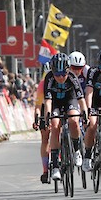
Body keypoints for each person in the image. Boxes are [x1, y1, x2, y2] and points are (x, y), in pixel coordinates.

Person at [42, 53, 87, 181]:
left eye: (64, 74)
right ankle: (55, 166)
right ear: (53, 72)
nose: (61, 78)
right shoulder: (49, 78)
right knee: (55, 125)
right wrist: (47, 117)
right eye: (57, 74)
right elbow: (48, 101)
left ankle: (77, 150)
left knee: (73, 120)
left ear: (68, 71)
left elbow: (81, 98)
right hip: (55, 102)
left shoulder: (72, 77)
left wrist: (85, 113)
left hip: (70, 100)